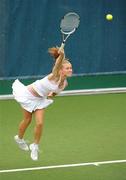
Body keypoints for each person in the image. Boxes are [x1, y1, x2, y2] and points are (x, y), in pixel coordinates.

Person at [12, 46, 73, 161]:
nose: (70, 70)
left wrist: (51, 95)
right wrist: (62, 55)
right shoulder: (54, 75)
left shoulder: (65, 84)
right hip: (28, 96)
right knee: (27, 120)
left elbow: (54, 93)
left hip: (40, 100)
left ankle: (35, 146)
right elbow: (57, 64)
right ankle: (19, 139)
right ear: (61, 70)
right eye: (67, 68)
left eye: (71, 68)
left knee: (40, 124)